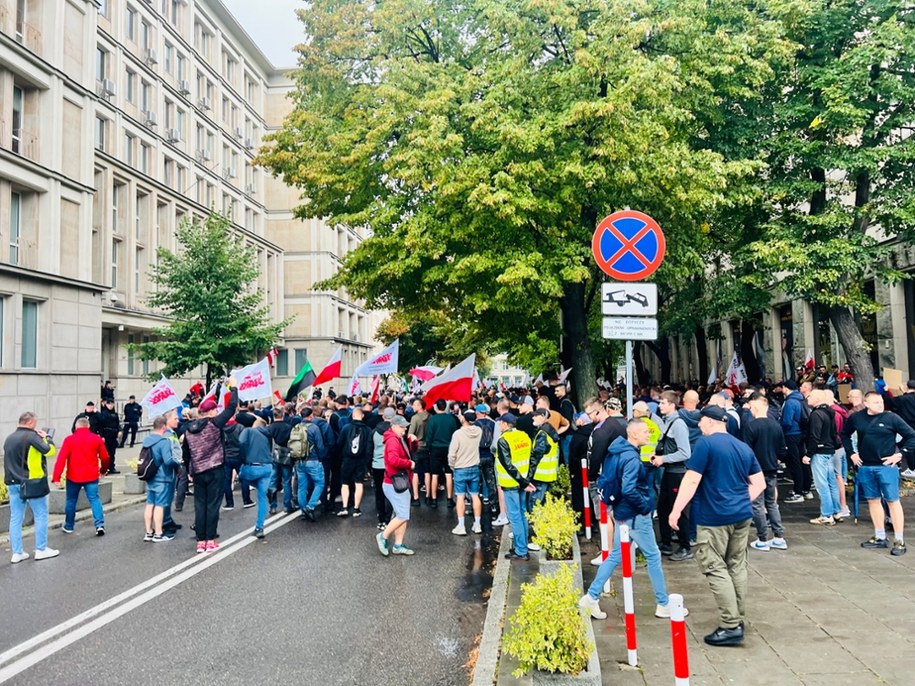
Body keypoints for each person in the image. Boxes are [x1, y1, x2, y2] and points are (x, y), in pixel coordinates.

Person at [668, 405, 765, 647]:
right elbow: (760, 482)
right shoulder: (742, 446)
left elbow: (691, 479)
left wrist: (676, 510)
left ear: (711, 422)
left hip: (714, 518)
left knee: (714, 567)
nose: (699, 425)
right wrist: (740, 500)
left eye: (701, 421)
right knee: (736, 565)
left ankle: (730, 625)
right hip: (742, 515)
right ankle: (738, 618)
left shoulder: (705, 445)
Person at [579, 420, 686, 620]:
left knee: (615, 555)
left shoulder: (617, 451)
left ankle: (591, 597)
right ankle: (663, 604)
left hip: (622, 512)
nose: (649, 434)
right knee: (653, 556)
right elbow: (629, 488)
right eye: (645, 431)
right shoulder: (631, 458)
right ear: (634, 434)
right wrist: (645, 506)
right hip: (636, 515)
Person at [841, 391, 915, 556]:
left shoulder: (891, 418)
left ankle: (899, 539)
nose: (880, 405)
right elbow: (844, 434)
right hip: (866, 466)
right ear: (866, 403)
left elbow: (912, 436)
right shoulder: (857, 418)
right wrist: (851, 453)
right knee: (873, 500)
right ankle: (880, 536)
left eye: (881, 402)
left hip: (886, 466)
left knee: (893, 501)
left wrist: (900, 454)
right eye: (876, 402)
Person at [182, 378, 239, 554]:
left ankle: (200, 541)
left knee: (200, 505)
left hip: (198, 471)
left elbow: (186, 454)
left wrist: (189, 471)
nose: (217, 411)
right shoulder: (214, 424)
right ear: (211, 411)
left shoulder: (188, 429)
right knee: (213, 505)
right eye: (215, 409)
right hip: (215, 469)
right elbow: (231, 407)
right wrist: (234, 387)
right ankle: (211, 539)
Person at [4, 412, 59, 562]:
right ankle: (41, 549)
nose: (35, 425)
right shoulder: (32, 437)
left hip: (13, 482)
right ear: (29, 423)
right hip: (31, 482)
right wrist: (47, 438)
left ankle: (17, 553)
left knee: (16, 518)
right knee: (41, 515)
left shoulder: (9, 439)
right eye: (35, 422)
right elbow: (50, 451)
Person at [742, 394, 788, 551]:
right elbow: (782, 450)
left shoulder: (751, 426)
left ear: (754, 407)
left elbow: (746, 451)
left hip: (755, 470)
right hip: (771, 468)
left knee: (757, 504)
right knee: (771, 502)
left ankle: (762, 538)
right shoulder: (776, 425)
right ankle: (779, 537)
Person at [651, 391, 692, 561]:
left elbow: (685, 452)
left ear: (672, 405)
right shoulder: (669, 422)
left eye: (662, 403)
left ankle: (685, 547)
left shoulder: (678, 424)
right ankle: (666, 543)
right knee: (663, 508)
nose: (659, 406)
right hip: (669, 472)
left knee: (679, 510)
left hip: (677, 473)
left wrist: (663, 458)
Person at [51, 417, 109, 536]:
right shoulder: (96, 439)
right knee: (94, 499)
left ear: (76, 427)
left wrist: (56, 477)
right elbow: (105, 457)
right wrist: (103, 470)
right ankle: (99, 525)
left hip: (73, 476)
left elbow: (61, 459)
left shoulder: (69, 440)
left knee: (71, 500)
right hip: (91, 475)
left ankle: (69, 525)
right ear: (88, 426)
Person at [496, 413, 536, 561]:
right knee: (522, 513)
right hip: (522, 482)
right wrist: (526, 480)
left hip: (511, 483)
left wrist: (523, 482)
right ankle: (522, 546)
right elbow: (531, 458)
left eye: (500, 423)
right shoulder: (524, 436)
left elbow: (508, 465)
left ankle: (521, 550)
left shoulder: (503, 440)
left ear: (506, 424)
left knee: (515, 517)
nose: (499, 426)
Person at [376, 415, 416, 556]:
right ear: (393, 426)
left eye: (405, 426)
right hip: (396, 482)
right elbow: (393, 460)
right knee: (403, 515)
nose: (405, 428)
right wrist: (409, 464)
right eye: (402, 426)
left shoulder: (395, 438)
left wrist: (413, 443)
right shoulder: (393, 440)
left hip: (396, 481)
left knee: (402, 514)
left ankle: (398, 545)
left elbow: (405, 454)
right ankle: (383, 536)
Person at [803, 390, 843, 525]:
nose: (807, 398)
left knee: (822, 484)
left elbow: (815, 435)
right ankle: (836, 511)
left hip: (819, 452)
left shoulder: (816, 414)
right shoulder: (829, 412)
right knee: (831, 482)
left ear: (817, 399)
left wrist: (809, 454)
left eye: (811, 396)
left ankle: (826, 514)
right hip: (829, 450)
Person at [141, 414, 182, 542]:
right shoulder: (163, 441)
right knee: (159, 505)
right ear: (164, 427)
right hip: (163, 476)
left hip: (150, 476)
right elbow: (168, 460)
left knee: (150, 504)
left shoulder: (147, 440)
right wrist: (177, 463)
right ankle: (159, 533)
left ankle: (148, 532)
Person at [448, 410, 483, 535]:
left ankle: (461, 525)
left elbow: (452, 453)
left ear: (464, 419)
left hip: (460, 467)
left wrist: (452, 465)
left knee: (460, 496)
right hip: (474, 466)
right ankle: (477, 524)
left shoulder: (458, 434)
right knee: (475, 495)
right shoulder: (479, 431)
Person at [238, 417, 274, 538]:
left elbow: (241, 442)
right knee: (262, 498)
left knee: (242, 475)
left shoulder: (248, 431)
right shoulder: (268, 435)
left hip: (252, 466)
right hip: (267, 467)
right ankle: (259, 527)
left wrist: (243, 458)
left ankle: (262, 488)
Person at [337, 407, 373, 517]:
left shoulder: (346, 428)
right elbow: (369, 447)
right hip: (361, 460)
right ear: (362, 416)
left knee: (345, 483)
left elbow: (339, 443)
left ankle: (344, 506)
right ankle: (357, 509)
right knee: (359, 483)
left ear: (352, 416)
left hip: (348, 459)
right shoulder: (368, 430)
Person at [425, 398, 459, 508]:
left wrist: (428, 447)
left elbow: (429, 436)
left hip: (435, 448)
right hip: (449, 448)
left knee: (434, 475)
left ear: (436, 407)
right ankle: (449, 499)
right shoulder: (451, 419)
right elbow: (455, 434)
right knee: (449, 474)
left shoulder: (433, 420)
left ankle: (433, 499)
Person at [295, 407, 327, 522]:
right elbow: (320, 446)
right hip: (313, 460)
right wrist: (321, 458)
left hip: (299, 460)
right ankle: (310, 506)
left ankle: (303, 511)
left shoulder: (296, 427)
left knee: (302, 487)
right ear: (311, 416)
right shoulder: (314, 428)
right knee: (320, 483)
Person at [371, 408, 395, 530]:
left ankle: (381, 519)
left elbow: (369, 450)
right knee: (390, 492)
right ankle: (388, 516)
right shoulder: (394, 432)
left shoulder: (374, 431)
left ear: (383, 417)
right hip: (391, 465)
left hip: (377, 465)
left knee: (379, 492)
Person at [408, 398, 430, 506]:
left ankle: (416, 497)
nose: (413, 406)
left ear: (420, 406)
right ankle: (428, 495)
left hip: (417, 448)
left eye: (415, 404)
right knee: (427, 472)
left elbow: (411, 434)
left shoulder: (415, 418)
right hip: (428, 447)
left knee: (415, 472)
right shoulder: (431, 417)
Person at [97, 399, 122, 474]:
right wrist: (102, 436)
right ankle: (105, 468)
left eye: (112, 404)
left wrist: (120, 430)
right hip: (106, 434)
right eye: (109, 404)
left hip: (113, 434)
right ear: (106, 405)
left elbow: (118, 424)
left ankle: (112, 467)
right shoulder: (103, 414)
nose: (110, 406)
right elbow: (100, 426)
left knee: (112, 452)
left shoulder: (115, 414)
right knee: (106, 453)